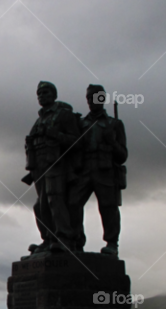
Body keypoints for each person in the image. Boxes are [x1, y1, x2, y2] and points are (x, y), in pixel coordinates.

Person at [25, 81, 81, 255]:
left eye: (46, 92)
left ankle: (64, 237)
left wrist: (54, 134)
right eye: (39, 93)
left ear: (54, 95)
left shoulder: (63, 115)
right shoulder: (39, 119)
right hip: (39, 166)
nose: (42, 95)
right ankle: (48, 238)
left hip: (56, 163)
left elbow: (76, 141)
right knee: (39, 206)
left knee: (54, 199)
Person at [71, 84, 127, 257]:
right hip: (84, 170)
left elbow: (123, 155)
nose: (91, 101)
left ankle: (112, 243)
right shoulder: (80, 123)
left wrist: (112, 142)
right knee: (72, 203)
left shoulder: (115, 124)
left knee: (108, 207)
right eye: (88, 97)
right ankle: (76, 241)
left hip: (105, 171)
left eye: (95, 97)